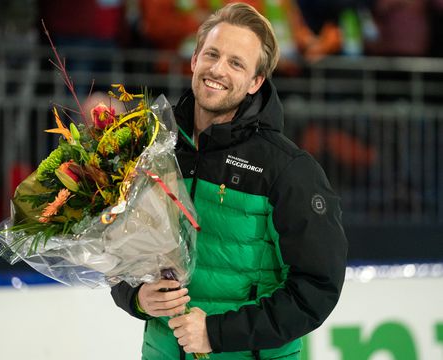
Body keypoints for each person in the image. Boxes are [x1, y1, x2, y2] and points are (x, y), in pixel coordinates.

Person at [111, 3, 348, 359]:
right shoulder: (154, 147)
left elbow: (315, 289)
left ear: (255, 82)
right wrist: (136, 296)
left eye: (236, 63)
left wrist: (216, 333)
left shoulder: (289, 169)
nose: (217, 69)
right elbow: (118, 251)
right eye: (212, 54)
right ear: (194, 60)